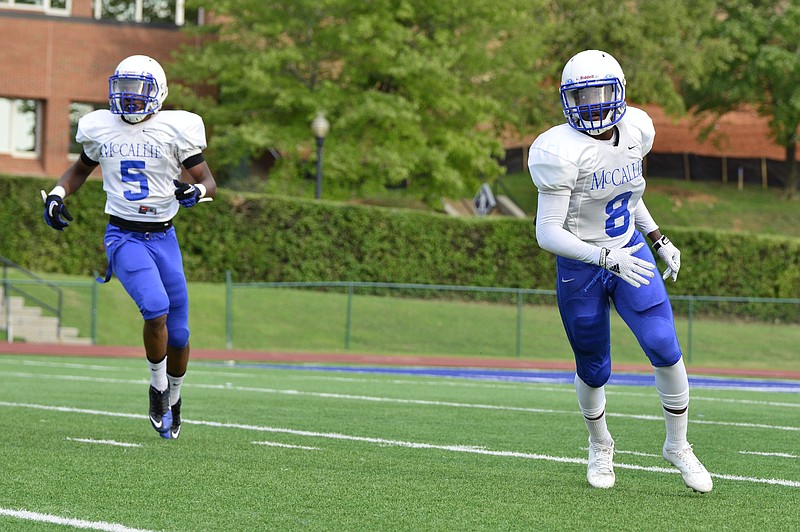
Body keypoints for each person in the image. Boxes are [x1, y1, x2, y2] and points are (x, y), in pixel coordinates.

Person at [527, 50, 712, 492]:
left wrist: (658, 238)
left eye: (600, 91)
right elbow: (547, 232)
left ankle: (678, 445)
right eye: (582, 94)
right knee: (594, 364)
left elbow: (625, 194)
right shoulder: (559, 151)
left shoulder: (636, 130)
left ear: (619, 91)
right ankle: (600, 444)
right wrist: (605, 259)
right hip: (583, 263)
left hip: (630, 249)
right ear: (567, 100)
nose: (592, 102)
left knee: (664, 344)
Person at [41, 54, 216, 440]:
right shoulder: (101, 128)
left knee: (181, 334)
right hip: (123, 235)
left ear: (159, 92)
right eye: (123, 89)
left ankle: (175, 396)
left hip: (164, 237)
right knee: (155, 308)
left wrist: (196, 191)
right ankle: (156, 388)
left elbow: (208, 181)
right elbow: (79, 170)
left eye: (138, 91)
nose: (129, 99)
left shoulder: (176, 129)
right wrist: (56, 193)